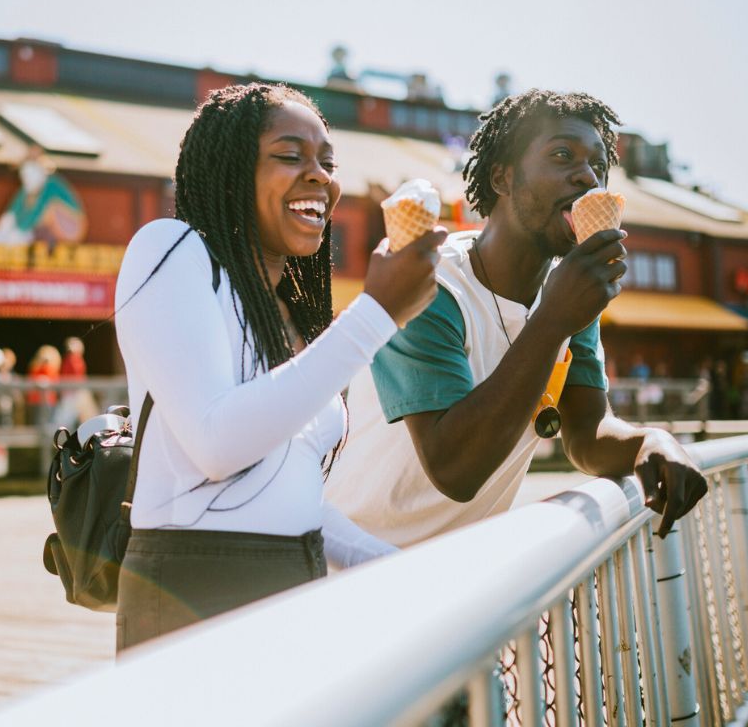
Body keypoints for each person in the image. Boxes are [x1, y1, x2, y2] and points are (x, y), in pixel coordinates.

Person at [114, 82, 444, 652]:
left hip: (294, 588)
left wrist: (396, 567)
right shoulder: (169, 249)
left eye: (327, 162)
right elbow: (216, 445)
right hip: (196, 594)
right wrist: (377, 315)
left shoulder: (286, 316)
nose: (320, 176)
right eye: (290, 157)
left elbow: (290, 498)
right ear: (230, 172)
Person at [325, 89, 708, 550]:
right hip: (349, 566)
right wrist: (552, 320)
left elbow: (586, 435)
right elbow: (455, 470)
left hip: (461, 575)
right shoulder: (431, 284)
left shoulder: (568, 293)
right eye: (563, 155)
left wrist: (651, 440)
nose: (588, 177)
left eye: (599, 165)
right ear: (502, 177)